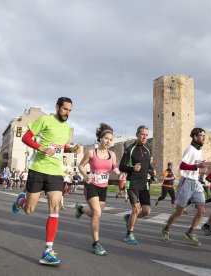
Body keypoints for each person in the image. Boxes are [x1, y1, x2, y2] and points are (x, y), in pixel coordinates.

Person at [11, 97, 82, 266]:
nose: (67, 113)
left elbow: (60, 147)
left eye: (70, 110)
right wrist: (42, 148)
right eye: (65, 109)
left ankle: (47, 251)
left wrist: (70, 148)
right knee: (29, 209)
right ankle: (21, 201)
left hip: (55, 173)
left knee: (55, 207)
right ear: (57, 107)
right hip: (38, 169)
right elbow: (26, 138)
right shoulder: (44, 120)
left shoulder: (67, 129)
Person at [75, 123, 120, 256]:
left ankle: (81, 209)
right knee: (97, 213)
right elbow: (81, 166)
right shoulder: (91, 152)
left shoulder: (112, 154)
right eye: (106, 138)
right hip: (91, 186)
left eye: (111, 140)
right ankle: (96, 243)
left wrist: (120, 173)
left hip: (103, 188)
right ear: (100, 138)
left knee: (97, 213)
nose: (108, 141)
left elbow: (115, 167)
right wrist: (85, 176)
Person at [161, 128, 208, 246]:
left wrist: (200, 169)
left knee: (202, 211)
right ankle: (166, 229)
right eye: (201, 135)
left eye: (204, 135)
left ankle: (190, 232)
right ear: (195, 137)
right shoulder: (190, 149)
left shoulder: (199, 151)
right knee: (179, 212)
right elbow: (182, 165)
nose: (204, 137)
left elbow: (195, 166)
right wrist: (197, 165)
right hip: (186, 182)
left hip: (196, 182)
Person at [119, 125, 155, 245]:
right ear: (137, 135)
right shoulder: (130, 149)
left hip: (144, 184)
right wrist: (132, 168)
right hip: (132, 183)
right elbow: (121, 166)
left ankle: (129, 218)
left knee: (146, 211)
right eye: (142, 134)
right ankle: (129, 234)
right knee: (136, 209)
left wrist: (152, 170)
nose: (144, 137)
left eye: (146, 135)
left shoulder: (148, 149)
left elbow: (148, 164)